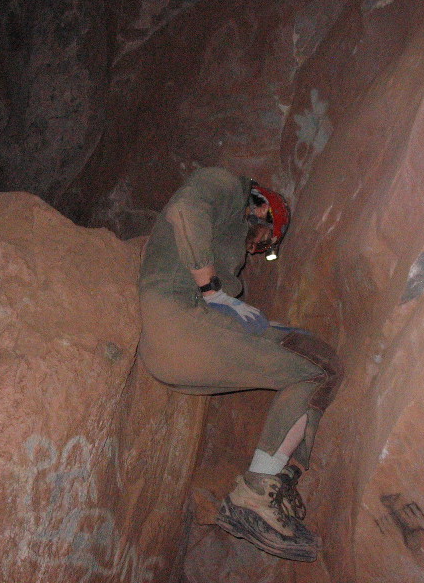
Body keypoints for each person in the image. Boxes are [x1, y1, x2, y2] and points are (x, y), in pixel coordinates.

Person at [138, 166, 343, 562]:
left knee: (314, 359)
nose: (255, 249)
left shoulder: (225, 232)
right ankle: (258, 489)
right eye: (263, 239)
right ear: (266, 208)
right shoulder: (226, 185)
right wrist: (212, 288)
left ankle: (278, 481)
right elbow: (185, 209)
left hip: (177, 344)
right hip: (184, 322)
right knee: (316, 371)